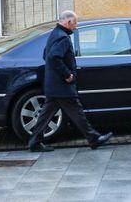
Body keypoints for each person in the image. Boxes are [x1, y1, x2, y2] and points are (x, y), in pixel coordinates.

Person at [28, 10, 113, 152]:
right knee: (77, 111)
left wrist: (54, 74)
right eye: (75, 23)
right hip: (62, 86)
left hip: (53, 85)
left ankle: (35, 142)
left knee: (46, 115)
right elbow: (54, 57)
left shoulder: (54, 34)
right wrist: (67, 74)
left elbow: (45, 54)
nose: (76, 26)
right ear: (68, 23)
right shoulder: (63, 38)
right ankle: (94, 139)